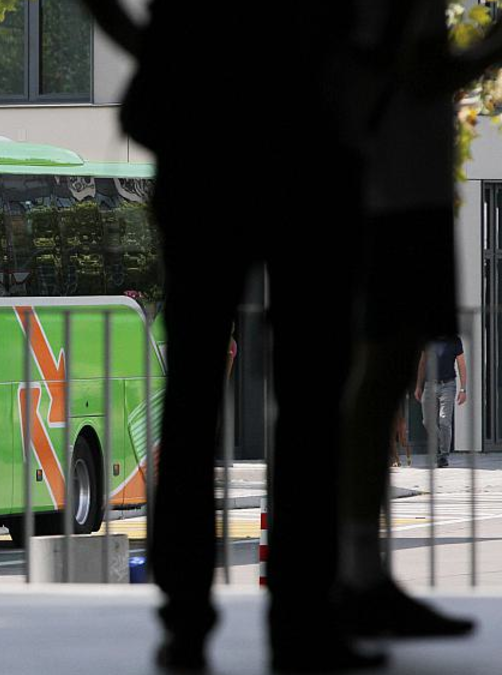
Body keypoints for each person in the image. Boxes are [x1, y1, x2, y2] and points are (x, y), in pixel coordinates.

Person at [82, 0, 379, 670]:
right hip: (309, 134)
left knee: (191, 392)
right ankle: (303, 612)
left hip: (203, 133)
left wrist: (159, 51)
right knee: (309, 398)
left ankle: (185, 612)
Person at [336, 0, 476, 641]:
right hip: (393, 175)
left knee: (378, 368)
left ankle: (355, 569)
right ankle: (356, 571)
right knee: (376, 367)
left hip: (400, 168)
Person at [414, 335, 468, 468]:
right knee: (427, 421)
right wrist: (418, 386)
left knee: (444, 421)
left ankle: (443, 455)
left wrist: (463, 389)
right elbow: (422, 363)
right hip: (429, 384)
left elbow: (461, 364)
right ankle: (440, 444)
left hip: (448, 385)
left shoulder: (454, 340)